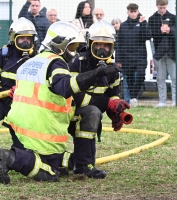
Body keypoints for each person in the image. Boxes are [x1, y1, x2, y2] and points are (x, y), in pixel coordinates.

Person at [0, 21, 122, 184]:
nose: (74, 53)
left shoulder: (32, 62)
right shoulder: (56, 63)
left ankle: (79, 164)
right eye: (72, 47)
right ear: (61, 46)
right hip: (40, 131)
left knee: (63, 161)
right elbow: (65, 87)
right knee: (51, 173)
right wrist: (96, 74)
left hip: (20, 129)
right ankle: (11, 158)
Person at [68, 20, 130, 179]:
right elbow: (74, 95)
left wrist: (115, 112)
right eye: (98, 45)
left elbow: (113, 93)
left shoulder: (113, 68)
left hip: (89, 112)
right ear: (90, 44)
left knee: (93, 114)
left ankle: (80, 162)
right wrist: (106, 103)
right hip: (67, 112)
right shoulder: (78, 62)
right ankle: (81, 165)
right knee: (92, 113)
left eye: (107, 46)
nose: (103, 49)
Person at [0, 17, 38, 160]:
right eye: (21, 39)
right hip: (3, 100)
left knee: (21, 149)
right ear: (13, 38)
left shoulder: (37, 58)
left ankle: (18, 151)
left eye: (28, 39)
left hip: (25, 105)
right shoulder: (3, 55)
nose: (25, 42)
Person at [115, 3, 152, 107]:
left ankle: (134, 96)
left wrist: (143, 23)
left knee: (140, 76)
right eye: (131, 12)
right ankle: (132, 100)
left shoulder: (143, 23)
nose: (133, 14)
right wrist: (118, 60)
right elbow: (119, 43)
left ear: (138, 11)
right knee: (129, 80)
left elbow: (148, 36)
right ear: (128, 12)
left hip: (140, 57)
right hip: (127, 58)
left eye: (135, 11)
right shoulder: (123, 25)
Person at [148, 0, 177, 107]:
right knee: (160, 78)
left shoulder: (173, 17)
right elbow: (150, 34)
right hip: (159, 52)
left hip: (171, 52)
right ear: (157, 6)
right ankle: (162, 101)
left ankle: (175, 100)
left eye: (164, 7)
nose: (162, 9)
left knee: (174, 77)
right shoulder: (152, 18)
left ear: (167, 6)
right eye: (160, 7)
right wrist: (160, 31)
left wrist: (169, 30)